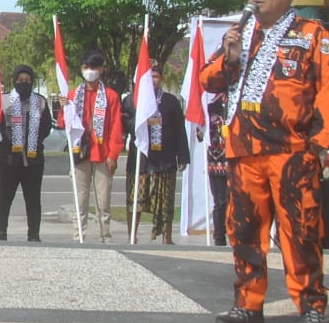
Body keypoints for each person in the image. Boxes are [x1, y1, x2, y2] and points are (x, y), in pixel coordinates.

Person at [201, 0, 329, 323]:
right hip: (244, 151)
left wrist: (318, 147)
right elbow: (207, 80)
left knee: (301, 232)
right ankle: (248, 303)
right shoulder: (241, 32)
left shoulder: (313, 35)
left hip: (293, 152)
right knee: (244, 230)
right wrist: (229, 58)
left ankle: (311, 306)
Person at [123, 62, 191, 244]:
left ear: (161, 79)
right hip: (140, 160)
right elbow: (124, 125)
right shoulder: (131, 101)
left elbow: (179, 131)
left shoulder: (170, 101)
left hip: (165, 160)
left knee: (166, 202)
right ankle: (132, 236)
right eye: (149, 77)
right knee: (135, 199)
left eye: (156, 76)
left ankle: (167, 238)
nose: (153, 80)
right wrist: (139, 119)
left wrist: (183, 156)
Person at [0, 64, 53, 242]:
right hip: (8, 159)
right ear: (14, 82)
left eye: (27, 81)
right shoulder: (4, 101)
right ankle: (1, 232)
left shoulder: (40, 101)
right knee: (4, 197)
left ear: (32, 82)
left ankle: (34, 234)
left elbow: (46, 127)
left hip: (33, 159)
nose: (24, 84)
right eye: (20, 81)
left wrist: (32, 142)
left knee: (33, 199)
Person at [69, 51, 123, 243]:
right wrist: (63, 109)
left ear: (101, 70)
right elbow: (64, 124)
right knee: (80, 199)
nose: (90, 71)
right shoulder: (73, 95)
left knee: (103, 199)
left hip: (102, 154)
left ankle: (105, 235)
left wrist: (113, 154)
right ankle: (79, 236)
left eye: (94, 68)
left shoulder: (111, 96)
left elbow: (117, 126)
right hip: (79, 153)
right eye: (86, 67)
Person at [204, 91, 230, 247]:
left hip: (237, 162)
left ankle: (238, 237)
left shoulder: (239, 102)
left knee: (237, 201)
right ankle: (219, 238)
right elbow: (201, 132)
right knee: (220, 202)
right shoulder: (210, 106)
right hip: (216, 162)